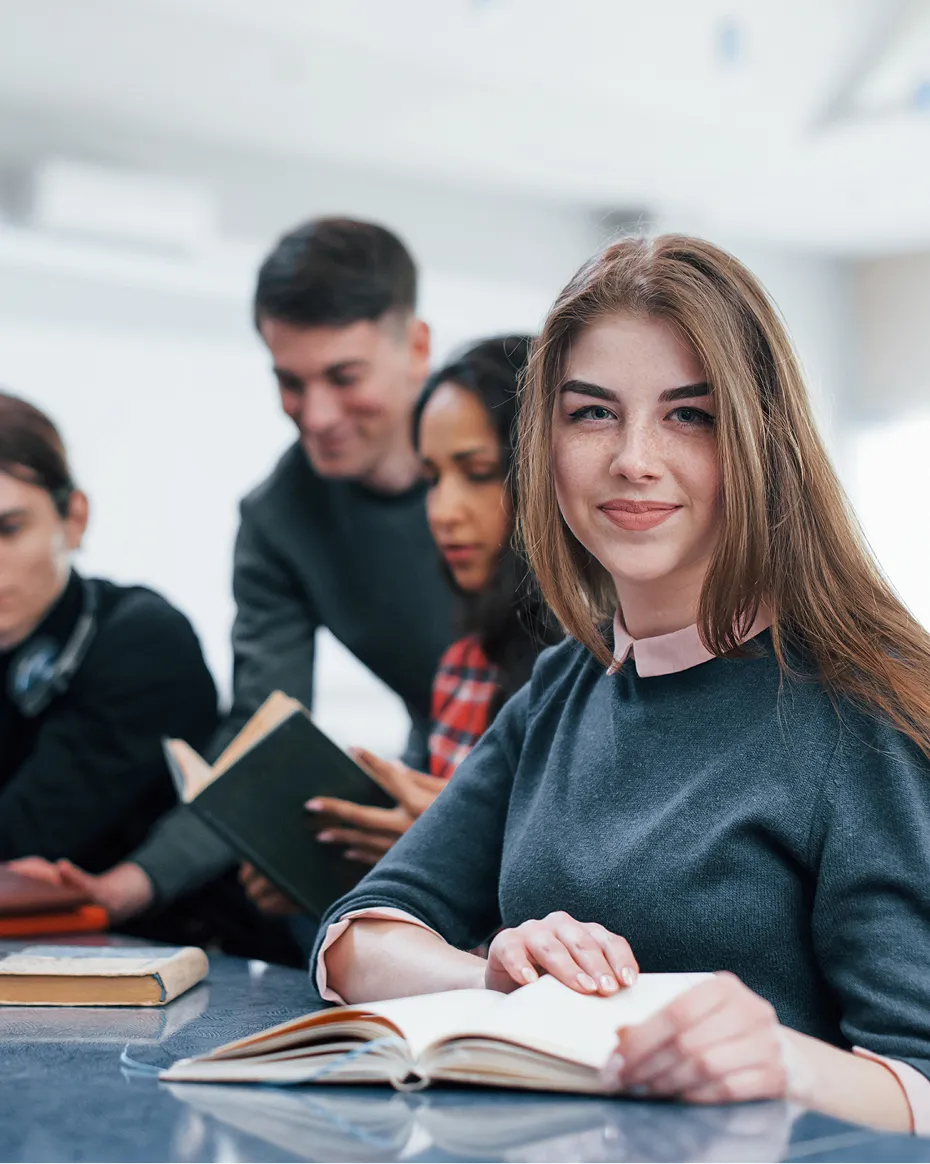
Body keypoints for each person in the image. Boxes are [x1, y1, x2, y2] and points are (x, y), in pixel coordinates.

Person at [312, 235, 930, 1134]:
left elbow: (920, 1080)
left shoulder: (864, 711)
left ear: (763, 441)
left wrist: (780, 1058)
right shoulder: (567, 684)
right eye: (593, 414)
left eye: (690, 415)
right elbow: (357, 938)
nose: (634, 459)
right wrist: (499, 972)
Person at [15, 218, 456, 931]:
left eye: (344, 377)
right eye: (289, 381)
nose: (314, 415)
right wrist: (130, 885)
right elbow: (263, 733)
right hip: (439, 788)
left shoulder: (527, 443)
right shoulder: (278, 518)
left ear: (417, 347)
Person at [242, 335, 559, 906]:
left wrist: (453, 841)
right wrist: (338, 863)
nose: (442, 511)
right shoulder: (464, 663)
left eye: (479, 472)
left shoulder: (607, 666)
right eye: (432, 477)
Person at [0, 391, 220, 939]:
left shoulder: (143, 640)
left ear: (74, 518)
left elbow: (22, 840)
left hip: (184, 973)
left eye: (8, 530)